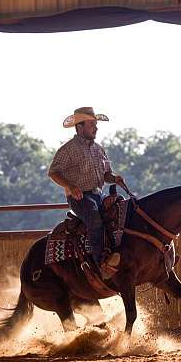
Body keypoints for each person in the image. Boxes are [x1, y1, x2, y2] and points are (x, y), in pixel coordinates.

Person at [48, 107, 125, 278]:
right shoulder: (68, 149)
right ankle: (101, 264)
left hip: (98, 195)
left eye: (95, 124)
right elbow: (53, 172)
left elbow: (106, 175)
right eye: (91, 124)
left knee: (121, 211)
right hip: (80, 197)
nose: (95, 128)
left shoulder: (99, 149)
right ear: (79, 127)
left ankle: (121, 255)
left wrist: (114, 178)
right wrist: (71, 186)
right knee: (94, 217)